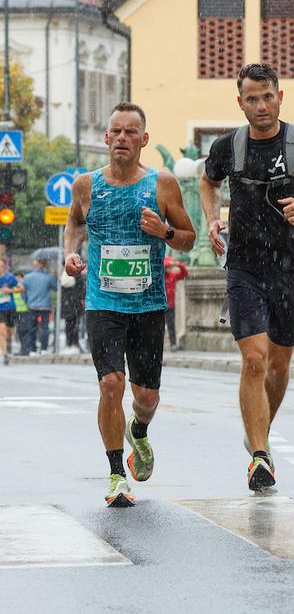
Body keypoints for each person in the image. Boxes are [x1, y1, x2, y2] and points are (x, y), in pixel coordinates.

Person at [200, 62, 294, 493]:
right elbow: (207, 183)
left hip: (291, 267)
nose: (261, 105)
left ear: (280, 96)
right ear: (240, 102)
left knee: (280, 366)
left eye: (267, 97)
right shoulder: (228, 146)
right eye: (252, 98)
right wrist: (212, 220)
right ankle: (260, 456)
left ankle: (258, 431)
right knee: (254, 359)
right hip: (244, 267)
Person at [64, 102, 196, 507]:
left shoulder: (163, 184)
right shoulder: (86, 185)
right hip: (102, 300)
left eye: (130, 132)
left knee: (146, 397)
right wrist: (70, 254)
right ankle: (117, 475)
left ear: (144, 140)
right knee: (110, 384)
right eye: (116, 132)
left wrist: (165, 229)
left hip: (148, 303)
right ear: (106, 138)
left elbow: (189, 238)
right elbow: (73, 221)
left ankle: (138, 430)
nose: (122, 138)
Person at [22, 259, 58, 355]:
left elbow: (23, 292)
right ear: (42, 265)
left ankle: (32, 350)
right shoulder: (48, 277)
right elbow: (56, 288)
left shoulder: (27, 277)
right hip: (45, 306)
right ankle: (44, 349)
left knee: (32, 328)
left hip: (31, 306)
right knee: (44, 328)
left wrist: (26, 302)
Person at [163, 256, 189, 351]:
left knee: (171, 325)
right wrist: (168, 263)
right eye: (168, 266)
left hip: (170, 305)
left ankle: (173, 343)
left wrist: (178, 264)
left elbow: (184, 273)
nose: (169, 268)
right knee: (159, 326)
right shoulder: (161, 276)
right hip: (161, 305)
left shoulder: (172, 276)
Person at [0, 258, 22, 365]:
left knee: (9, 331)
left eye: (1, 266)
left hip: (10, 307)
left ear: (4, 267)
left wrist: (10, 290)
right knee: (1, 331)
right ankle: (5, 355)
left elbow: (21, 288)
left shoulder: (10, 278)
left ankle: (8, 343)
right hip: (0, 309)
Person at [59, 269, 86, 354]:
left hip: (70, 304)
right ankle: (72, 344)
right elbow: (82, 291)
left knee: (71, 325)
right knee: (72, 325)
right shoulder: (77, 276)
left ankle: (72, 344)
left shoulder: (67, 275)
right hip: (73, 304)